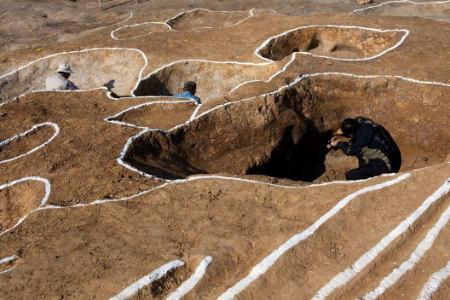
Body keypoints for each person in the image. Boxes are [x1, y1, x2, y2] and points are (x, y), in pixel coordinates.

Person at [330, 116, 395, 180]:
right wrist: (343, 129)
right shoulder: (367, 123)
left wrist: (338, 143)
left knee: (349, 175)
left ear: (350, 135)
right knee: (362, 154)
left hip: (383, 167)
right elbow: (358, 119)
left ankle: (370, 179)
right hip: (390, 156)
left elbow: (348, 151)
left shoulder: (360, 143)